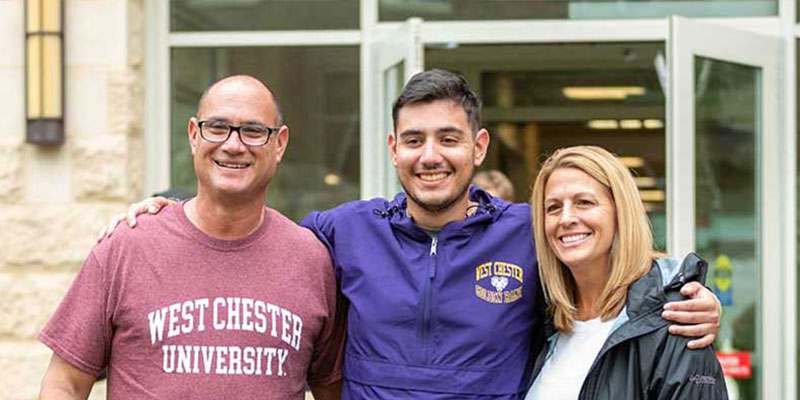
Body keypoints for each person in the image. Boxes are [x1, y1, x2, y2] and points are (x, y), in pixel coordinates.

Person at [100, 69, 720, 399]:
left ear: (477, 147)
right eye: (415, 140)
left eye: (448, 139)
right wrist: (170, 207)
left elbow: (605, 254)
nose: (432, 156)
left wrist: (688, 291)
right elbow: (252, 231)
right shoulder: (340, 231)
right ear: (393, 149)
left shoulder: (527, 233)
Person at [38, 76, 344, 400]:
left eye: (253, 131)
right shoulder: (128, 247)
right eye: (217, 127)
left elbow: (332, 390)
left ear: (279, 143)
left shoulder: (312, 259)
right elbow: (64, 384)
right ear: (193, 135)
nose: (233, 145)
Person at [526, 145, 726, 399]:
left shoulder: (677, 322)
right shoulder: (539, 320)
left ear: (620, 212)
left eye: (584, 202)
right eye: (553, 207)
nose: (566, 218)